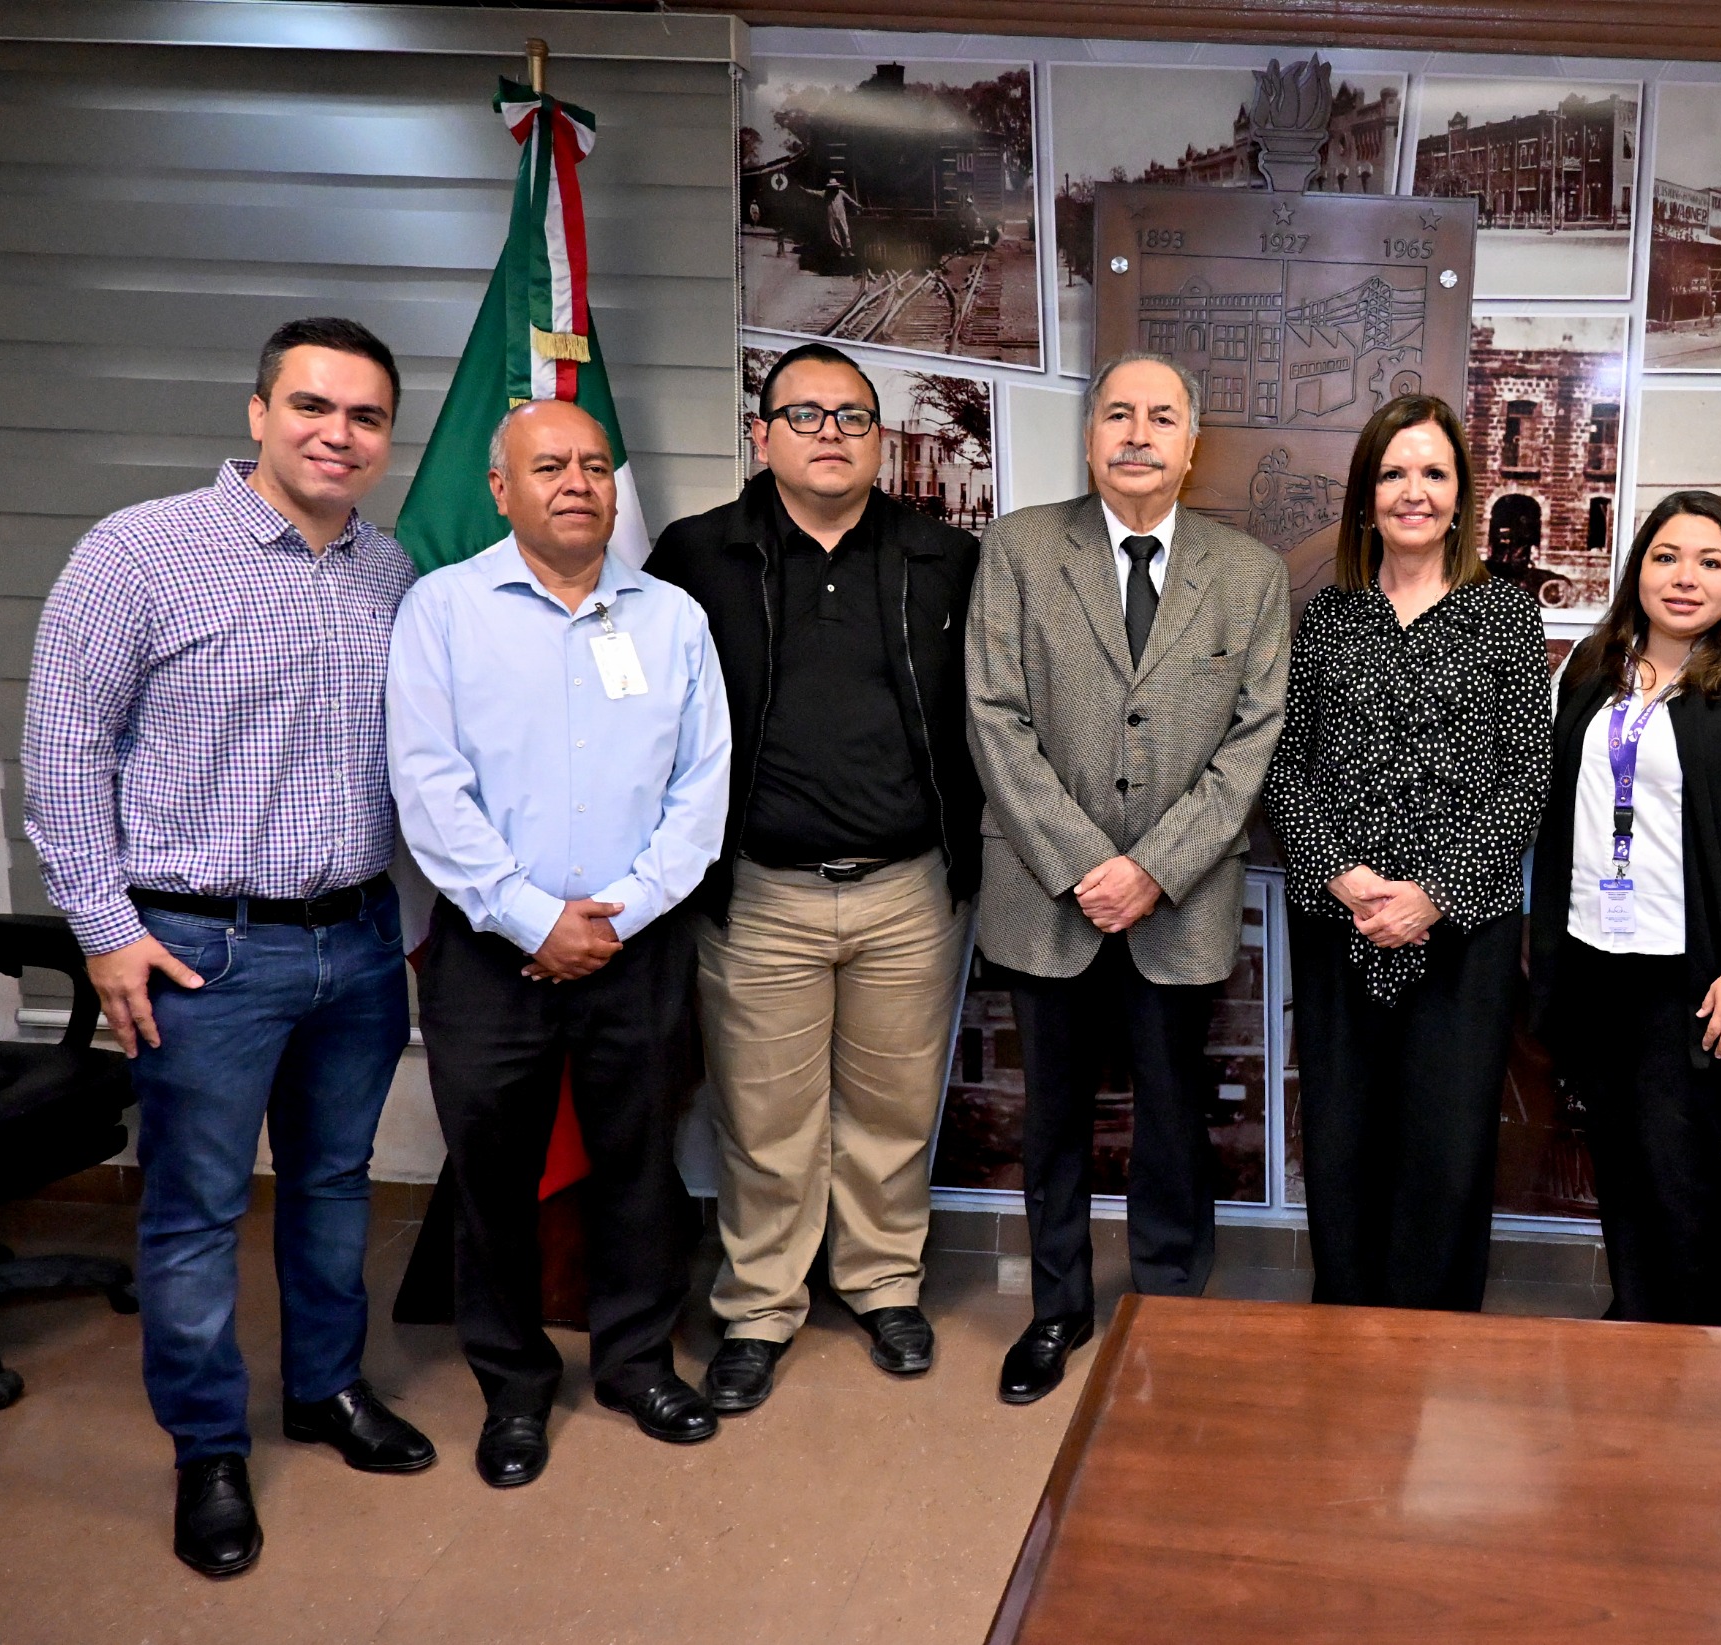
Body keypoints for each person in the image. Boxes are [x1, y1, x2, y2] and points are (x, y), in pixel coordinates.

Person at [23, 317, 432, 1578]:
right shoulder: (140, 553)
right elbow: (61, 751)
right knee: (197, 1209)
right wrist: (104, 932)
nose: (338, 434)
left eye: (365, 417)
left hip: (357, 940)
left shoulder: (394, 571)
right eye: (313, 406)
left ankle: (324, 1390)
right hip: (199, 948)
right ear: (257, 412)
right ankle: (208, 1445)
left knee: (331, 1184)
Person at [389, 399, 732, 1488]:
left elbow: (700, 789)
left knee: (640, 1164)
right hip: (493, 953)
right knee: (493, 1172)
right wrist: (535, 920)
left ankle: (636, 1360)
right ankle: (515, 1384)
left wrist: (618, 914)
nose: (579, 480)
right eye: (550, 466)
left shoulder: (672, 617)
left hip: (639, 947)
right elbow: (427, 786)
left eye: (593, 464)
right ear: (503, 489)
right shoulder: (442, 611)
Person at [650, 342, 981, 1414]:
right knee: (764, 1118)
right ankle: (758, 1307)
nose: (829, 433)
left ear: (880, 439)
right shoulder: (698, 556)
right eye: (804, 415)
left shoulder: (940, 555)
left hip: (905, 888)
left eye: (851, 415)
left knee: (890, 1112)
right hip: (759, 892)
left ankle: (882, 1282)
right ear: (761, 436)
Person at [964, 351, 1288, 1404]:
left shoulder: (1248, 574)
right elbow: (994, 718)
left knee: (1171, 1111)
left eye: (1160, 417)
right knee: (1050, 1116)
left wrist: (1150, 869)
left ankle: (1166, 1305)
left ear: (1192, 447)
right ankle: (1056, 1308)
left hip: (1178, 901)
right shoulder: (1016, 550)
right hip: (1045, 895)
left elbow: (1255, 739)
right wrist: (1084, 865)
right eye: (1116, 414)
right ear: (1090, 435)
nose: (1136, 433)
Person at [1263, 394, 1550, 1312]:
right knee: (1344, 1141)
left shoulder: (1504, 617)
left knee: (1447, 1146)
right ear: (1366, 494)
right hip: (1340, 927)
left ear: (1461, 495)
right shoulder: (1328, 619)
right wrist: (1347, 881)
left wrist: (1432, 894)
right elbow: (1284, 765)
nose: (1413, 491)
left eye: (1433, 473)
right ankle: (1345, 1338)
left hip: (1461, 937)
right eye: (1394, 473)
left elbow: (1525, 781)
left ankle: (1432, 1350)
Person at [1527, 490, 1721, 1326]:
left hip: (1698, 981)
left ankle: (1698, 1361)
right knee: (1622, 1171)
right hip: (1597, 965)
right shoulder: (1590, 670)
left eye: (1710, 561)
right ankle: (1637, 1332)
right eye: (1666, 557)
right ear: (1639, 572)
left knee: (1689, 1184)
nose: (1685, 577)